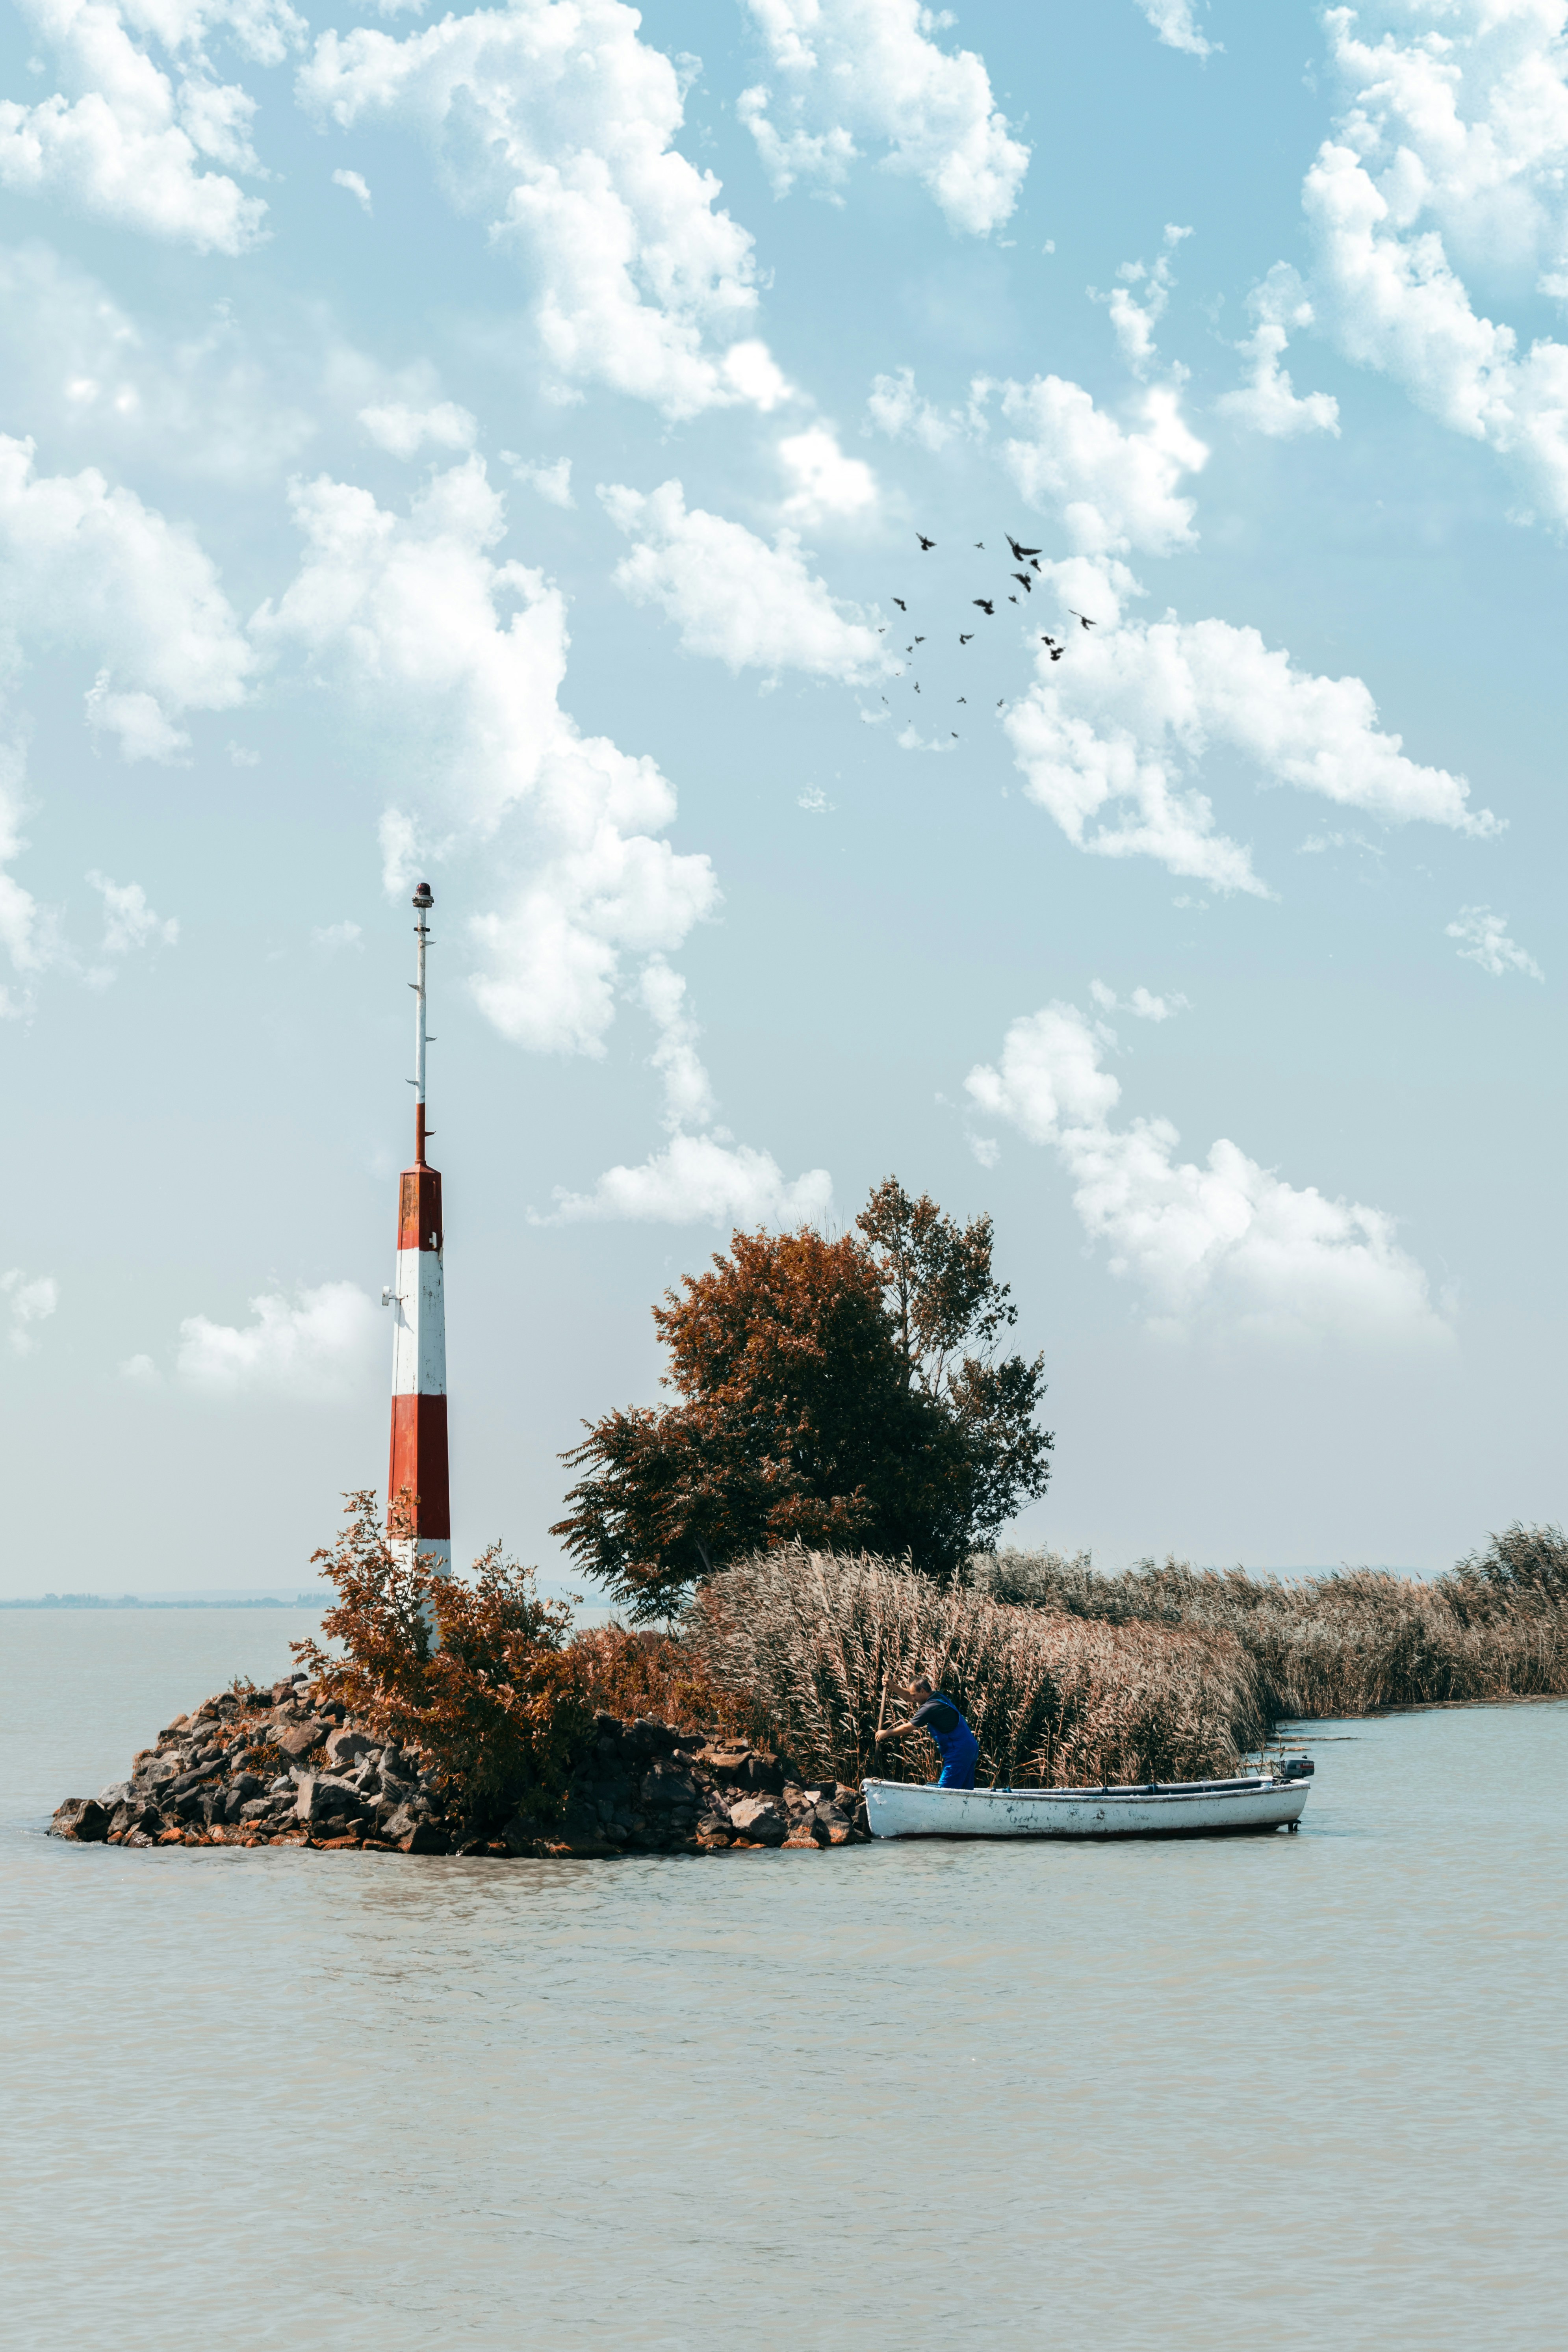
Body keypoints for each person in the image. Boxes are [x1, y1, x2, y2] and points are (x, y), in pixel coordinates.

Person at [875, 1675, 980, 1790]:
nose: (913, 1699)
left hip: (959, 1752)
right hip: (971, 1748)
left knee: (946, 1791)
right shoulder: (937, 1696)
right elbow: (910, 1697)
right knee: (964, 1791)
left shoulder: (930, 1707)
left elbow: (908, 1728)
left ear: (923, 1691)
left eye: (915, 1695)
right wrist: (893, 1687)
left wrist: (886, 1733)